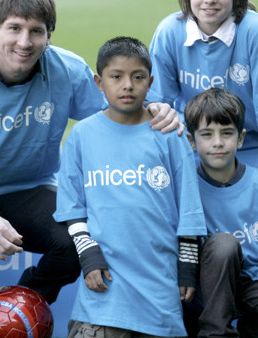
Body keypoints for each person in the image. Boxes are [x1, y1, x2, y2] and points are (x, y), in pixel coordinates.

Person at [0, 0, 182, 336]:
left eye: (36, 31)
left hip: (32, 189)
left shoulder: (69, 71)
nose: (25, 42)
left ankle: (21, 307)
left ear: (48, 36)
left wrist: (156, 110)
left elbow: (118, 114)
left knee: (74, 242)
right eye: (14, 28)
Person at [54, 36, 206, 338]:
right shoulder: (82, 135)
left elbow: (188, 206)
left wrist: (187, 264)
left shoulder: (169, 133)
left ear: (150, 82)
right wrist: (88, 255)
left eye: (137, 77)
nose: (128, 85)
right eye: (116, 77)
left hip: (160, 292)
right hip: (103, 292)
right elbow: (72, 208)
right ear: (99, 82)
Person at [183, 87, 258, 337]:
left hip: (256, 282)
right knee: (223, 245)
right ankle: (214, 333)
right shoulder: (184, 189)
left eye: (227, 133)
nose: (218, 142)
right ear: (191, 140)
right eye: (207, 134)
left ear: (241, 138)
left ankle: (250, 328)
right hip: (205, 288)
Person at [147, 0, 258, 182]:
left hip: (249, 147)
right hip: (192, 147)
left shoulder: (256, 29)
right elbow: (155, 103)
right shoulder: (169, 30)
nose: (209, 1)